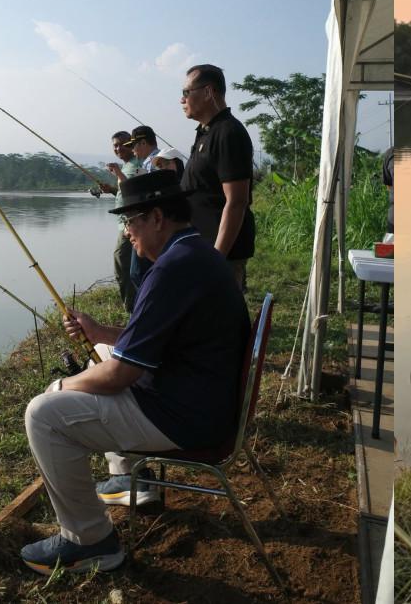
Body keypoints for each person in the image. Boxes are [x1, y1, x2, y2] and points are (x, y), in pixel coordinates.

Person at [20, 170, 250, 574]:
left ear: (157, 217)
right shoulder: (194, 255)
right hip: (199, 396)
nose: (127, 232)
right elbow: (156, 337)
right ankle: (127, 478)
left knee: (44, 414)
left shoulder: (171, 270)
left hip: (185, 418)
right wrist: (98, 332)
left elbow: (118, 377)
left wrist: (62, 385)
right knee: (105, 349)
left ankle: (89, 541)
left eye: (130, 220)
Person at [179, 64, 255, 291]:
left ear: (208, 92)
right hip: (200, 246)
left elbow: (237, 201)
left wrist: (216, 258)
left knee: (220, 319)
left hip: (220, 254)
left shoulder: (228, 133)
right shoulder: (206, 132)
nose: (182, 100)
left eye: (186, 93)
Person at [123, 126, 161, 286]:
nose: (132, 151)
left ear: (143, 142)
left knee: (139, 273)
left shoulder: (155, 163)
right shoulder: (147, 164)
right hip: (146, 224)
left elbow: (151, 199)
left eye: (133, 146)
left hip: (147, 226)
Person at [106, 130, 140, 312]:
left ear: (131, 144)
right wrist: (111, 189)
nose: (118, 148)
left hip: (132, 222)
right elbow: (123, 192)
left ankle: (131, 307)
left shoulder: (136, 163)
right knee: (127, 265)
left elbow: (132, 189)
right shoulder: (126, 166)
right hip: (124, 222)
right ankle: (132, 305)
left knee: (122, 262)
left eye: (121, 144)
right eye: (115, 145)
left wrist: (118, 173)